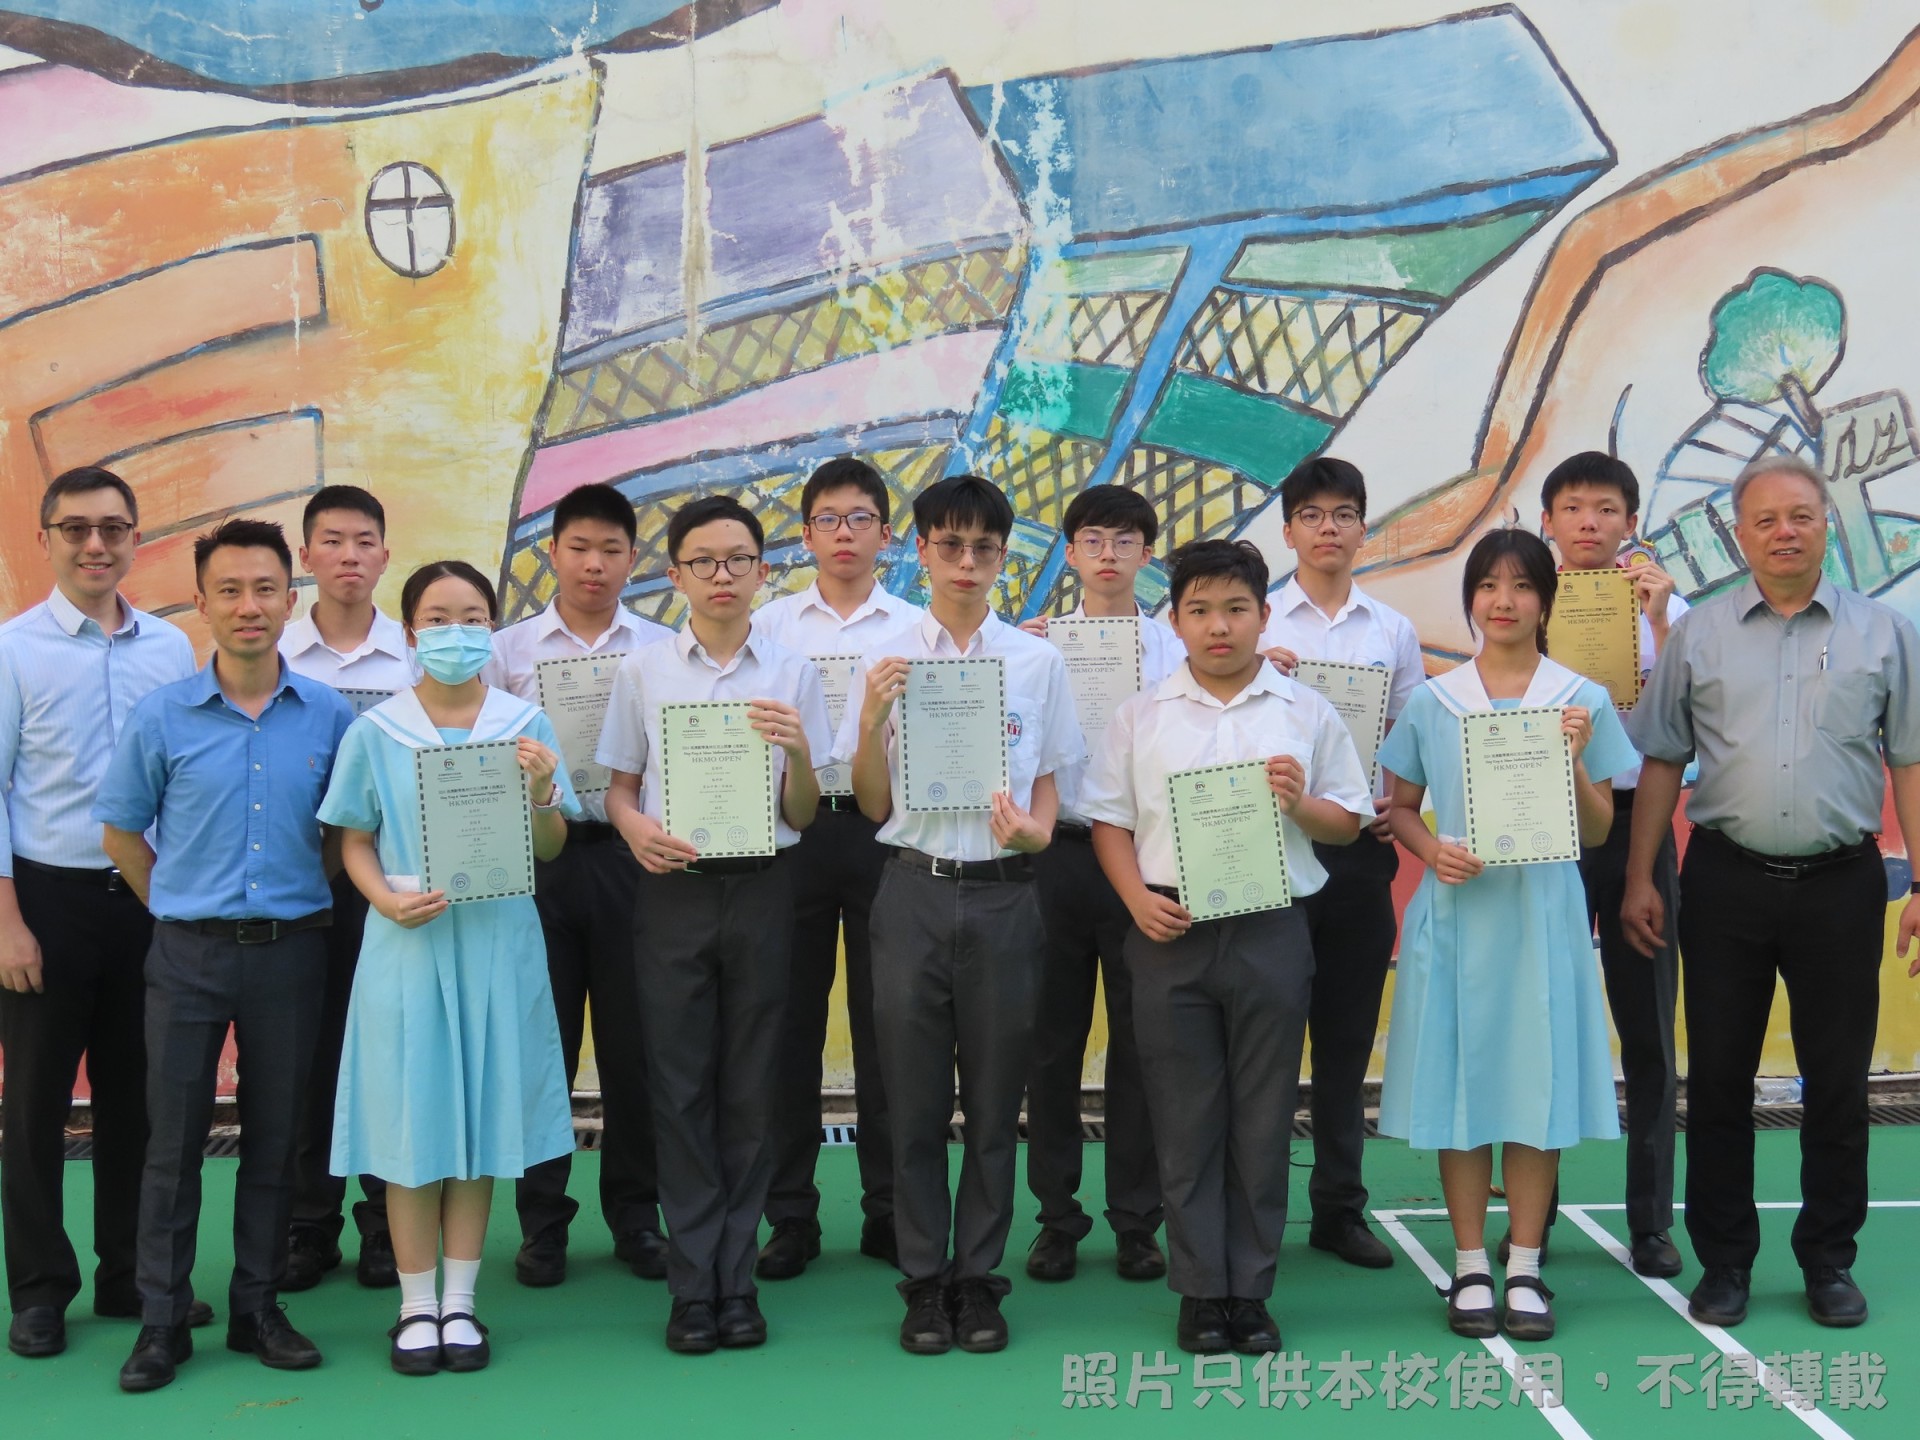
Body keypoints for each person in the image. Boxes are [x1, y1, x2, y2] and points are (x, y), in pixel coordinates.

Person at [1623, 454, 1920, 1330]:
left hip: (1841, 886)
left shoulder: (1886, 634)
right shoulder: (1700, 637)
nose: (1784, 532)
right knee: (1719, 1079)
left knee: (1838, 1083)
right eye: (1765, 520)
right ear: (1739, 534)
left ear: (1827, 523)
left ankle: (1829, 1260)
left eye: (1800, 515)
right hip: (1726, 882)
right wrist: (1640, 877)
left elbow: (1910, 761)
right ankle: (1725, 1263)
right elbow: (1663, 759)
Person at [1083, 538, 1372, 1356]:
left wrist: (1300, 803)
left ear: (1263, 616)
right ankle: (1200, 1291)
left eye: (1236, 609)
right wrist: (1136, 900)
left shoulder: (1303, 711)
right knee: (1184, 1119)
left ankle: (1251, 1290)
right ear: (1175, 621)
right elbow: (1109, 821)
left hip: (1271, 930)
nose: (1219, 626)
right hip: (1169, 931)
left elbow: (1347, 821)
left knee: (1263, 1117)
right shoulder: (1140, 715)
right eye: (1201, 610)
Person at [94, 519, 355, 1391]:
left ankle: (257, 1309)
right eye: (230, 590)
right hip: (186, 957)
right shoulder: (162, 715)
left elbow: (341, 833)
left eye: (266, 589)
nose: (250, 606)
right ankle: (161, 1321)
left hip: (291, 954)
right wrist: (177, 905)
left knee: (277, 1141)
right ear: (202, 602)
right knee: (172, 1145)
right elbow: (122, 832)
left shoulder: (328, 714)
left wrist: (295, 893)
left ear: (291, 597)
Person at [835, 474, 1082, 1356]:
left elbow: (1049, 786)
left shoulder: (1036, 662)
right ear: (921, 550)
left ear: (1003, 556)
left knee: (993, 1097)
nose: (967, 562)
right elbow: (871, 802)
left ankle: (977, 1281)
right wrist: (873, 716)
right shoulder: (886, 658)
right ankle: (921, 1281)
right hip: (912, 889)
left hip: (1006, 894)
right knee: (911, 1101)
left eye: (984, 547)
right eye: (950, 545)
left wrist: (1036, 832)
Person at [319, 560, 580, 1376]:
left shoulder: (524, 723)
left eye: (472, 616)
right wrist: (383, 902)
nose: (455, 632)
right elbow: (352, 837)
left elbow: (551, 847)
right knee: (413, 1122)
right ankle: (413, 1306)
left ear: (491, 629)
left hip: (498, 942)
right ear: (410, 632)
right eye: (438, 618)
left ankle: (461, 1303)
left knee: (480, 1122)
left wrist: (542, 793)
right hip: (407, 941)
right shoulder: (378, 730)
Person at [1377, 529, 1632, 1343]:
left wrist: (1574, 759)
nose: (1504, 601)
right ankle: (1468, 1264)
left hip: (1543, 917)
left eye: (1522, 586)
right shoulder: (1436, 701)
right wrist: (1433, 852)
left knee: (1535, 1088)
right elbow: (1400, 809)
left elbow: (1600, 829)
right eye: (1488, 585)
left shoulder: (1580, 700)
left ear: (1546, 601)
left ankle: (1523, 1263)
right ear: (1472, 600)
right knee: (1461, 1089)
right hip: (1458, 914)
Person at [599, 495, 832, 1354]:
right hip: (675, 892)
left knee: (751, 1085)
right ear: (676, 575)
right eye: (703, 561)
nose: (722, 574)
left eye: (738, 559)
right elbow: (619, 788)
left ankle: (739, 1282)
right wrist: (634, 831)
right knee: (680, 1084)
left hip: (766, 888)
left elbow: (803, 813)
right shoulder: (644, 671)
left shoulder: (792, 672)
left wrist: (798, 751)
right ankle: (692, 1286)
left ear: (763, 570)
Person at [1, 468, 198, 1361]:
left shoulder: (169, 649)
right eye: (75, 528)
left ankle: (131, 1277)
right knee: (35, 1105)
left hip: (147, 901)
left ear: (134, 540)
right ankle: (41, 1291)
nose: (95, 545)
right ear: (45, 538)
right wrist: (6, 921)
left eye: (113, 528)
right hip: (46, 900)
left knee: (140, 1103)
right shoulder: (13, 651)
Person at [483, 482, 673, 1288]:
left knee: (635, 1052)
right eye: (579, 548)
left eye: (611, 550)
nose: (594, 564)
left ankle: (636, 1217)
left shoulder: (661, 647)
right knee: (543, 1050)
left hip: (633, 859)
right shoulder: (508, 652)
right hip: (541, 862)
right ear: (553, 553)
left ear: (633, 558)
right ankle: (542, 1224)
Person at [752, 458, 921, 1279]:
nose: (843, 533)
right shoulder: (770, 626)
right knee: (788, 1026)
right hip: (793, 832)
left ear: (886, 535)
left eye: (859, 519)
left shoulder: (915, 629)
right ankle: (790, 1215)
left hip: (886, 832)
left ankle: (890, 1212)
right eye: (827, 519)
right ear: (805, 535)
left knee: (889, 1027)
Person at [1256, 458, 1423, 1271]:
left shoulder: (1390, 631)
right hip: (1271, 849)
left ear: (1363, 528)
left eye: (1345, 514)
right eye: (1314, 515)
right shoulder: (1256, 622)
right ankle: (1255, 1213)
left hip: (1357, 854)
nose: (1330, 528)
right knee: (1264, 1043)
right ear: (1288, 530)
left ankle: (1339, 1208)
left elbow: (1410, 736)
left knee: (1346, 1041)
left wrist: (1400, 804)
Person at [1016, 484, 1180, 1285]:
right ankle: (1056, 1218)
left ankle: (1137, 1221)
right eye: (1091, 540)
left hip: (1142, 862)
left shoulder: (1176, 646)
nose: (1107, 555)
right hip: (1055, 854)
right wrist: (1013, 660)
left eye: (1123, 541)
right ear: (1071, 552)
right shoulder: (1037, 647)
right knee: (1050, 1044)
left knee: (1141, 1044)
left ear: (1147, 554)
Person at [1534, 451, 1688, 1278]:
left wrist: (1659, 624)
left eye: (1605, 508)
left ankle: (1652, 1222)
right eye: (1572, 507)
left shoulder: (1667, 606)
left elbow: (1686, 721)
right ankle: (1536, 1215)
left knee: (1648, 1027)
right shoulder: (1526, 600)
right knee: (1546, 1020)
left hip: (1637, 825)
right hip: (1546, 826)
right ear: (1548, 521)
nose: (1588, 521)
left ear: (1631, 521)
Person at [280, 484, 412, 1293]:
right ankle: (307, 1225)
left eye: (364, 541)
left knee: (389, 1050)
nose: (349, 556)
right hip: (301, 882)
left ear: (385, 556)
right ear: (306, 556)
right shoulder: (276, 653)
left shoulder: (415, 654)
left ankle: (386, 1224)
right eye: (332, 541)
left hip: (394, 883)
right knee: (311, 1053)